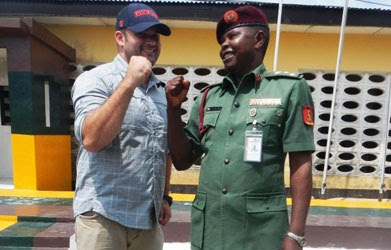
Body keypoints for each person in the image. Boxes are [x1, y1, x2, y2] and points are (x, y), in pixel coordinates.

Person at [166, 5, 314, 250]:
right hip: (210, 233)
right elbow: (182, 161)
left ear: (258, 39)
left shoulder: (288, 89)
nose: (224, 44)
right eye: (222, 40)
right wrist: (173, 110)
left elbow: (301, 162)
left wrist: (296, 234)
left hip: (261, 234)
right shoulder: (207, 98)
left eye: (232, 36)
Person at [71, 3, 173, 250]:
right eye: (142, 35)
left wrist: (165, 197)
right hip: (104, 217)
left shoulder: (160, 92)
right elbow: (92, 139)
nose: (151, 42)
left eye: (155, 37)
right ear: (120, 37)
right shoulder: (95, 80)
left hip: (147, 221)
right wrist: (129, 82)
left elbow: (163, 149)